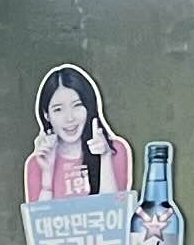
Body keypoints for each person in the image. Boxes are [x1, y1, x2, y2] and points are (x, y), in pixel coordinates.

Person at [22, 63, 127, 203]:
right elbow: (39, 216)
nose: (70, 118)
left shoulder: (115, 150)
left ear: (89, 107)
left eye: (77, 105)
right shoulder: (37, 163)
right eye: (58, 109)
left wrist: (105, 157)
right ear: (47, 115)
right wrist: (47, 176)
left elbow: (114, 210)